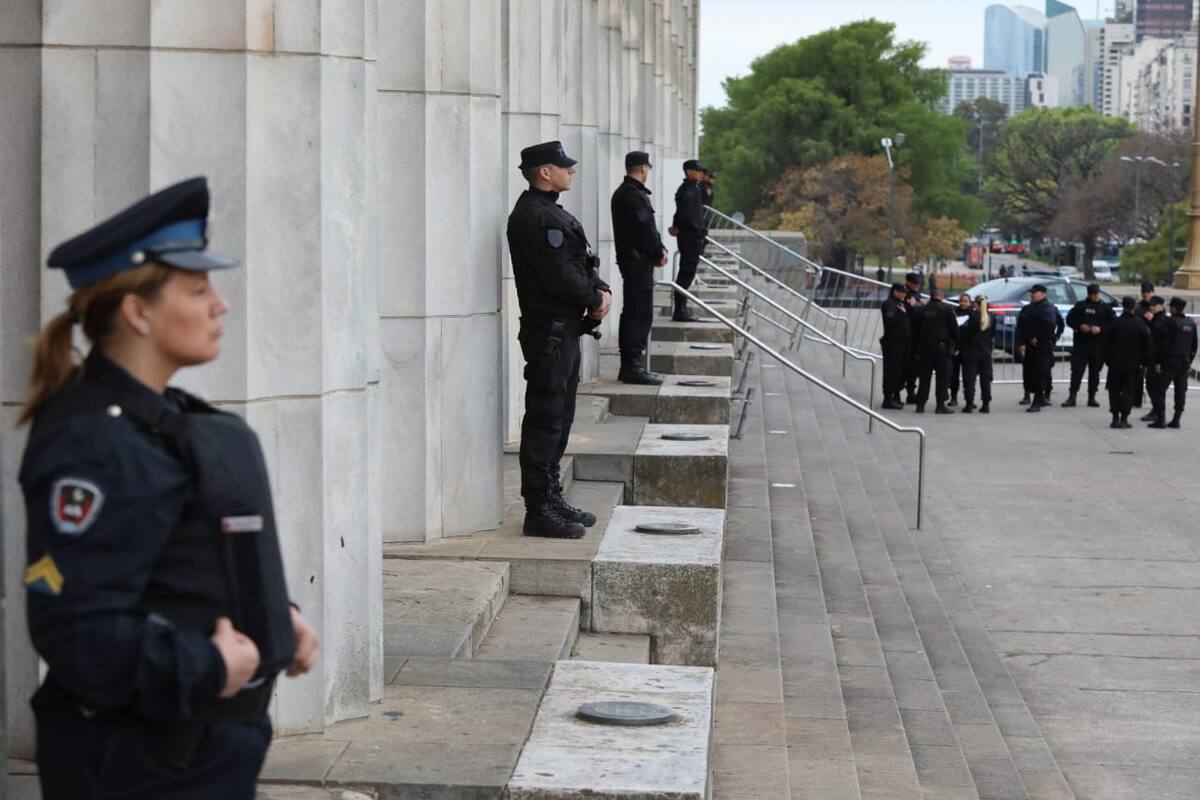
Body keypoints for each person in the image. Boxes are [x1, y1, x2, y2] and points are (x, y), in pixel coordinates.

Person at [16, 177, 320, 799]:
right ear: (137, 312)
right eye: (198, 289)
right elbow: (77, 629)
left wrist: (273, 621)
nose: (220, 305)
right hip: (139, 765)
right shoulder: (94, 443)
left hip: (189, 757)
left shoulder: (165, 421)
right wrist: (208, 666)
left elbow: (175, 568)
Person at [508, 141, 612, 539]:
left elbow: (580, 263)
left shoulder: (550, 211)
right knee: (545, 421)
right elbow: (558, 276)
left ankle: (551, 496)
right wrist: (594, 296)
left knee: (561, 417)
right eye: (563, 166)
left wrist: (599, 290)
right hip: (548, 332)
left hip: (563, 330)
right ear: (544, 172)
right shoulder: (534, 216)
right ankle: (538, 509)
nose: (571, 171)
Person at [611, 150, 668, 385]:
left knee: (636, 311)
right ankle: (631, 366)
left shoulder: (627, 193)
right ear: (644, 168)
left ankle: (632, 363)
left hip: (636, 261)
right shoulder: (632, 195)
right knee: (638, 313)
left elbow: (648, 229)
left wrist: (659, 248)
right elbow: (644, 231)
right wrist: (657, 253)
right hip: (637, 262)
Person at [668, 159, 708, 322]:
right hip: (690, 237)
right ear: (688, 171)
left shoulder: (692, 189)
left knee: (687, 272)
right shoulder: (689, 190)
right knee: (686, 273)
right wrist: (699, 230)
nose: (701, 174)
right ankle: (679, 310)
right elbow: (687, 215)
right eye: (697, 170)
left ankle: (681, 308)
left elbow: (680, 214)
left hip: (690, 236)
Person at [1104, 295, 1153, 429]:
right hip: (1133, 365)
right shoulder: (1140, 324)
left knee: (1114, 390)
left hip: (1115, 364)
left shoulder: (1114, 323)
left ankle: (1115, 418)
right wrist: (1145, 363)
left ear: (1123, 307)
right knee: (1128, 391)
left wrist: (1107, 360)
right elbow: (1147, 345)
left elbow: (1105, 343)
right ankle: (1124, 419)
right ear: (1134, 307)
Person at [1063, 283, 1114, 408]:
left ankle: (1092, 397)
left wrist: (1101, 329)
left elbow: (1113, 324)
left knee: (1095, 372)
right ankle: (1072, 396)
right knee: (1077, 371)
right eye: (1093, 294)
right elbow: (1069, 319)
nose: (1096, 296)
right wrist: (1080, 326)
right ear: (1089, 294)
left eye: (1097, 294)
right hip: (1082, 344)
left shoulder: (1105, 308)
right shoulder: (1080, 306)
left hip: (1098, 345)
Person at [914, 288, 960, 414]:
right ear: (941, 296)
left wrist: (916, 349)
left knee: (924, 377)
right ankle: (940, 404)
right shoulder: (946, 309)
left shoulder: (922, 310)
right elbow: (954, 329)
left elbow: (916, 331)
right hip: (941, 348)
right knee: (942, 378)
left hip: (924, 348)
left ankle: (920, 404)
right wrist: (957, 346)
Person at [1155, 297, 1198, 428]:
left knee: (1159, 390)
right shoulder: (1191, 323)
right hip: (1184, 362)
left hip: (1170, 362)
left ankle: (1161, 419)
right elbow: (1194, 345)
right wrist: (1189, 361)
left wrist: (1159, 362)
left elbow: (1164, 344)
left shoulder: (1170, 322)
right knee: (1180, 392)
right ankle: (1176, 419)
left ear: (1173, 308)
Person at [1016, 284, 1056, 412]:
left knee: (1039, 374)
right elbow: (1021, 325)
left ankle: (1038, 400)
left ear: (1043, 294)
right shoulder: (1028, 308)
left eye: (1035, 292)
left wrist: (1038, 338)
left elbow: (1050, 326)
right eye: (1032, 292)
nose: (1032, 294)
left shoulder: (1047, 308)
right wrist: (1021, 342)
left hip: (1042, 346)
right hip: (1030, 346)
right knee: (1029, 373)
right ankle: (1035, 397)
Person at [960, 294, 994, 413]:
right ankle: (986, 404)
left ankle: (969, 404)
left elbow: (965, 332)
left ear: (976, 304)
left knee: (969, 379)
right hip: (985, 352)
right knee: (985, 380)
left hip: (972, 351)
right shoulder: (991, 317)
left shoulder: (972, 317)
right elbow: (992, 335)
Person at [879, 283, 910, 410]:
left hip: (900, 343)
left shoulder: (899, 303)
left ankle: (893, 396)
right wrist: (901, 313)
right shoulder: (889, 304)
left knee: (898, 371)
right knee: (891, 370)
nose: (904, 295)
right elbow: (890, 319)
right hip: (892, 343)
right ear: (895, 292)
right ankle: (887, 398)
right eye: (902, 292)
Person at [1143, 296, 1172, 427]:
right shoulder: (1156, 318)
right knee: (1150, 384)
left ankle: (1157, 412)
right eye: (1150, 305)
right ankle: (1156, 410)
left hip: (1159, 359)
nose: (1151, 307)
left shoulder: (1163, 319)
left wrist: (1151, 321)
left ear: (1161, 306)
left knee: (1155, 386)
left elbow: (1158, 335)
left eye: (1154, 305)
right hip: (1152, 357)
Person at [1133, 280, 1156, 408]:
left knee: (1152, 377)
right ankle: (1137, 400)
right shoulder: (1138, 307)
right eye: (1143, 292)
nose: (1145, 294)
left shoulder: (1156, 306)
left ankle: (1155, 403)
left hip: (1153, 344)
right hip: (1140, 344)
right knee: (1138, 375)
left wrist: (1152, 319)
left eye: (1147, 292)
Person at [903, 271, 925, 404]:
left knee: (915, 367)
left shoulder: (916, 294)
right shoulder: (903, 293)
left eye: (918, 283)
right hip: (907, 334)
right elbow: (910, 311)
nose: (917, 286)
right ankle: (898, 392)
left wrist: (918, 305)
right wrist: (918, 306)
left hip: (917, 334)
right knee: (906, 365)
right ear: (909, 282)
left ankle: (911, 391)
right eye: (915, 283)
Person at [948, 293, 973, 406]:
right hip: (955, 348)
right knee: (954, 374)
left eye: (965, 301)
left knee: (968, 376)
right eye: (961, 301)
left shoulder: (973, 314)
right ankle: (953, 397)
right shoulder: (953, 312)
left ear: (970, 302)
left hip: (968, 349)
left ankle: (969, 400)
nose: (963, 303)